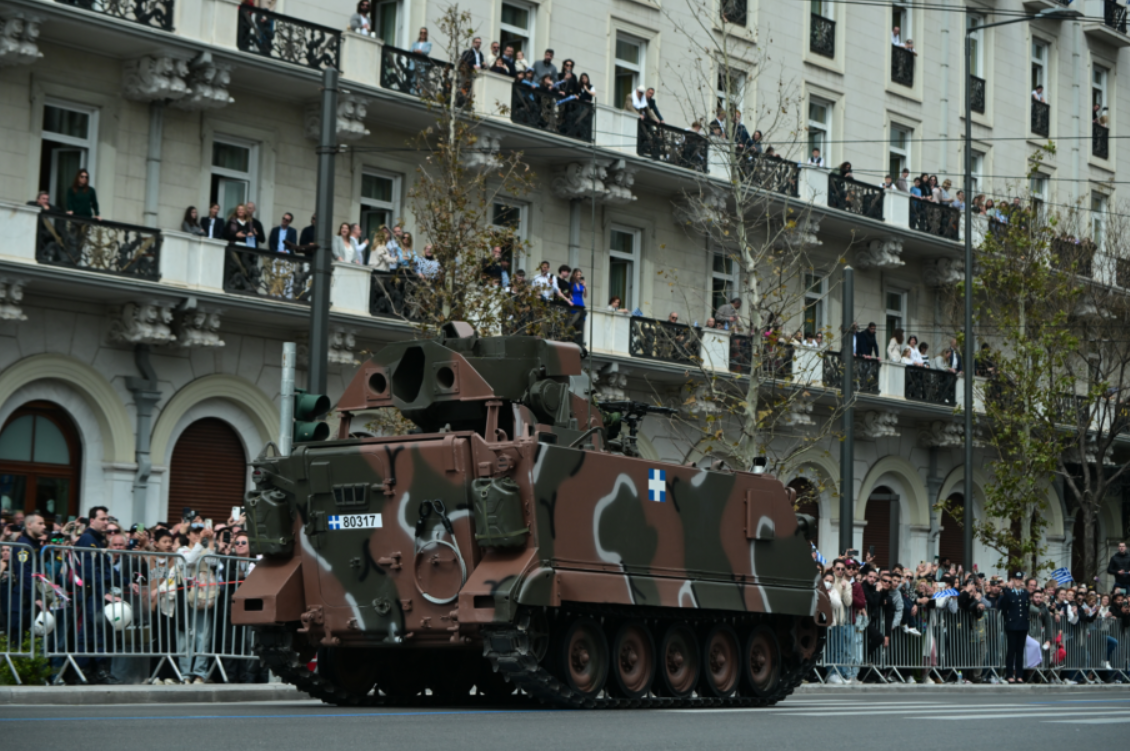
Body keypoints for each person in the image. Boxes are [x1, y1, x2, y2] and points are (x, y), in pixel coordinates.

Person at [74, 506, 115, 684]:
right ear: (92, 521)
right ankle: (90, 672)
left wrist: (128, 582)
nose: (107, 522)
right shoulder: (88, 539)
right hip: (92, 593)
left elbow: (107, 570)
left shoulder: (97, 540)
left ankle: (89, 673)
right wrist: (103, 593)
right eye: (103, 519)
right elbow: (91, 571)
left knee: (94, 632)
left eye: (107, 519)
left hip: (95, 593)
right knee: (95, 633)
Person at [176, 522, 218, 684]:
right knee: (185, 637)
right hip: (186, 598)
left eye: (200, 532)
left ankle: (200, 673)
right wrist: (200, 543)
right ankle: (185, 674)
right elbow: (187, 562)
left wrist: (212, 540)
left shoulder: (206, 548)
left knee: (203, 636)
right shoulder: (182, 550)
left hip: (205, 598)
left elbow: (213, 562)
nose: (197, 534)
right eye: (194, 532)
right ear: (187, 535)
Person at [999, 571, 1030, 683]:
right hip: (1012, 625)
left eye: (1019, 579)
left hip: (1022, 625)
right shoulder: (1009, 593)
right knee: (1011, 651)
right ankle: (1009, 674)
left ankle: (1019, 675)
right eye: (1016, 579)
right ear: (1013, 580)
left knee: (1020, 651)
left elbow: (1026, 608)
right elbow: (1004, 608)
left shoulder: (1025, 593)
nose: (1018, 581)